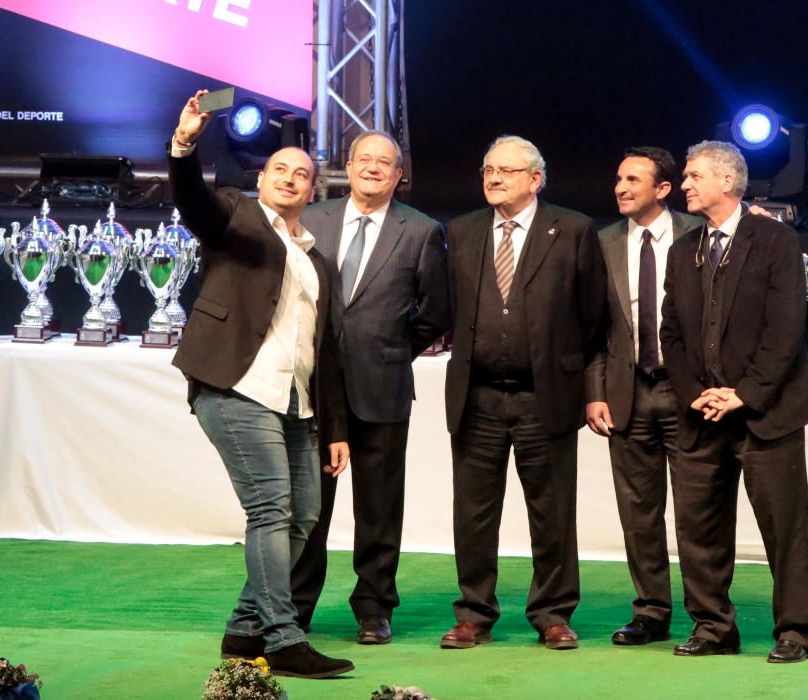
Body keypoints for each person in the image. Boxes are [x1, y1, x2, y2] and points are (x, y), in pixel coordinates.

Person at [167, 89, 354, 678]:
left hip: (295, 403)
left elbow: (325, 354)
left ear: (313, 189)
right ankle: (281, 636)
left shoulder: (316, 259)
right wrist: (184, 144)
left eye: (303, 174)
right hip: (236, 388)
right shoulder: (235, 217)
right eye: (281, 169)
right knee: (270, 509)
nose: (292, 178)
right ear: (262, 178)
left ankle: (243, 631)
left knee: (304, 517)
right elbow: (192, 199)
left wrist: (335, 428)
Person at [440, 135, 607, 651]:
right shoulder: (461, 232)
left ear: (536, 179)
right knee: (473, 514)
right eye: (488, 169)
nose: (493, 178)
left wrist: (588, 386)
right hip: (478, 397)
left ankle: (553, 614)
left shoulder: (574, 229)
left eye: (507, 171)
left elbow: (594, 316)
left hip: (546, 397)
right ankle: (473, 614)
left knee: (553, 513)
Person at [659, 140, 808, 663]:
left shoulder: (775, 240)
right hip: (702, 414)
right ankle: (713, 627)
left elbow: (785, 332)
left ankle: (795, 630)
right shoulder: (684, 249)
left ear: (727, 182)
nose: (684, 184)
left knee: (784, 528)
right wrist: (697, 395)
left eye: (693, 176)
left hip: (766, 414)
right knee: (699, 528)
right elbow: (673, 334)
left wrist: (743, 395)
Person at [289, 130, 450, 644]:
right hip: (314, 386)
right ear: (348, 166)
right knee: (309, 503)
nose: (374, 168)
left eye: (386, 163)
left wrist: (393, 344)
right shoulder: (312, 219)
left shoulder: (421, 231)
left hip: (382, 384)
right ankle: (295, 606)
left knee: (379, 506)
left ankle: (374, 607)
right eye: (365, 160)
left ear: (398, 175)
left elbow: (436, 311)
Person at [584, 147, 701, 646]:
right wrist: (594, 392)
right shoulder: (601, 242)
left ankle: (709, 616)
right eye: (617, 179)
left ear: (663, 189)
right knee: (639, 513)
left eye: (633, 179)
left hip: (686, 393)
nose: (621, 187)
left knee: (697, 511)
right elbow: (589, 327)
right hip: (625, 392)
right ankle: (651, 611)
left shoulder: (698, 235)